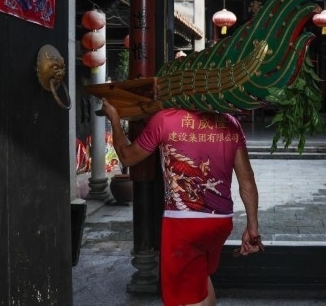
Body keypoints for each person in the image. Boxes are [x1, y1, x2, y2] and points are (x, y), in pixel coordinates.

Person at [100, 98, 262, 306]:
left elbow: (126, 156)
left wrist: (114, 120)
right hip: (220, 222)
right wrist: (252, 227)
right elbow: (247, 179)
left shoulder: (164, 120)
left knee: (183, 297)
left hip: (183, 224)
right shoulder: (230, 123)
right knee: (200, 278)